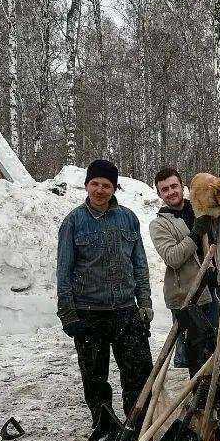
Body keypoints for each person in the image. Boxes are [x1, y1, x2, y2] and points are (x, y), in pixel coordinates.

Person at [56, 160, 154, 423]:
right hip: (89, 314)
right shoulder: (73, 222)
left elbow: (140, 265)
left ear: (114, 188)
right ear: (87, 185)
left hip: (126, 311)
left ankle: (138, 428)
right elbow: (63, 272)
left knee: (139, 376)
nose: (100, 190)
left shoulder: (128, 219)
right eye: (95, 184)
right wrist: (68, 314)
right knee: (95, 381)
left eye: (106, 185)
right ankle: (105, 429)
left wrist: (145, 303)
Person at [148, 167, 220, 374]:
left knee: (217, 353)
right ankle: (193, 393)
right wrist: (195, 233)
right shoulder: (159, 224)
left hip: (214, 288)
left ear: (183, 187)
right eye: (165, 189)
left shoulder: (206, 206)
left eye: (174, 186)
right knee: (192, 357)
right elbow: (173, 258)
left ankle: (215, 391)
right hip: (187, 296)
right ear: (159, 194)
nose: (171, 192)